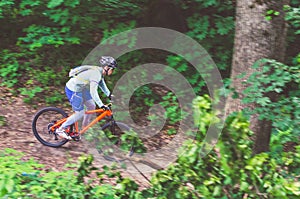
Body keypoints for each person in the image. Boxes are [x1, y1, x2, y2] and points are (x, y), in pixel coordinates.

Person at [56, 56, 117, 140]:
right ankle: (61, 129)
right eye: (112, 69)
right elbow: (93, 92)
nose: (112, 71)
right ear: (106, 68)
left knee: (91, 105)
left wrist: (109, 95)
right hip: (73, 89)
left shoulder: (99, 72)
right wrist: (101, 105)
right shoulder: (96, 74)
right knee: (80, 113)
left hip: (81, 89)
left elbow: (102, 84)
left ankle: (84, 128)